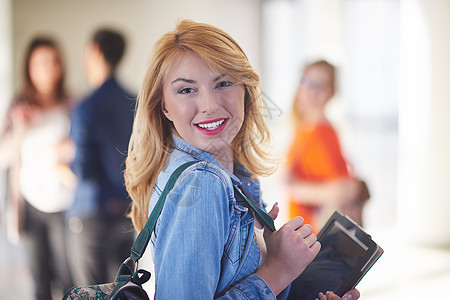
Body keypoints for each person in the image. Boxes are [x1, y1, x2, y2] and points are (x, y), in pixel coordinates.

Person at [124, 19, 360, 300]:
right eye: (187, 89)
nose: (210, 106)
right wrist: (277, 269)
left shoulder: (231, 175)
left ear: (245, 90)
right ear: (164, 106)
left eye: (223, 83)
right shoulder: (202, 183)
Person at [0, 36, 74, 300]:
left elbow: (85, 151)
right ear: (29, 67)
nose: (47, 69)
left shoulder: (73, 104)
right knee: (39, 280)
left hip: (65, 205)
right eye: (40, 63)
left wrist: (70, 149)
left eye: (53, 62)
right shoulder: (18, 106)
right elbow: (3, 156)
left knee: (69, 279)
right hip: (30, 205)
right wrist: (20, 127)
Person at [67, 28, 136, 286]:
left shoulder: (87, 107)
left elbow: (82, 169)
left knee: (91, 290)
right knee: (124, 290)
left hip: (91, 214)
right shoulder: (134, 101)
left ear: (94, 50)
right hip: (126, 213)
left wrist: (61, 161)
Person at [286, 60, 369, 231]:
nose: (309, 91)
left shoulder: (322, 132)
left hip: (316, 238)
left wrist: (294, 189)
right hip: (305, 235)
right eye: (306, 81)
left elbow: (345, 190)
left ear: (331, 92)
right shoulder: (304, 128)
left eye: (318, 85)